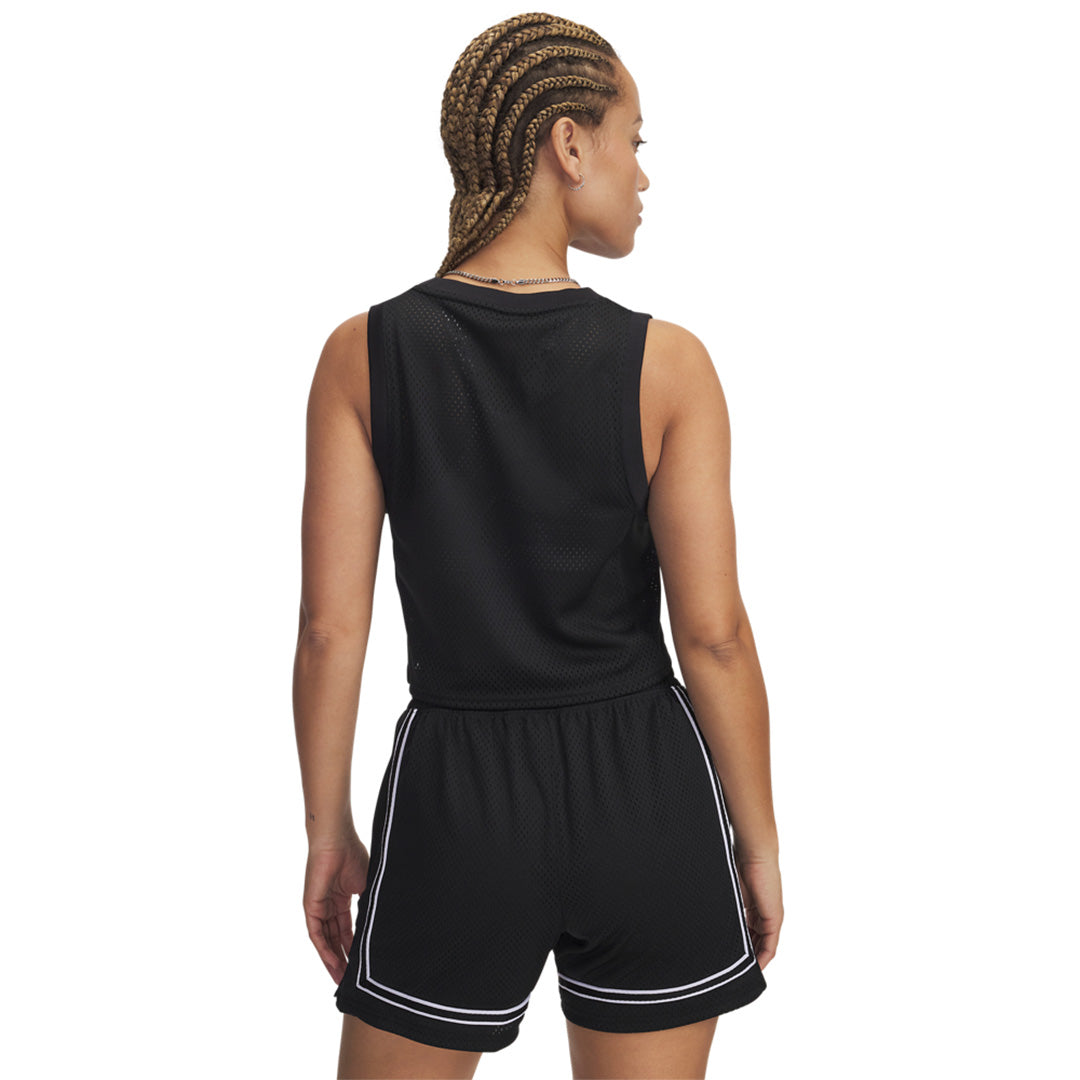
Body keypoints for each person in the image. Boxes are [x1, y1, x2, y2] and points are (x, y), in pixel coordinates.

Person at [293, 12, 783, 1079]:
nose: (643, 175)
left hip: (456, 800)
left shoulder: (363, 355)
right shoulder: (669, 365)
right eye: (634, 140)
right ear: (569, 144)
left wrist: (328, 831)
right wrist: (755, 841)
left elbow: (331, 630)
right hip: (646, 793)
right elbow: (714, 639)